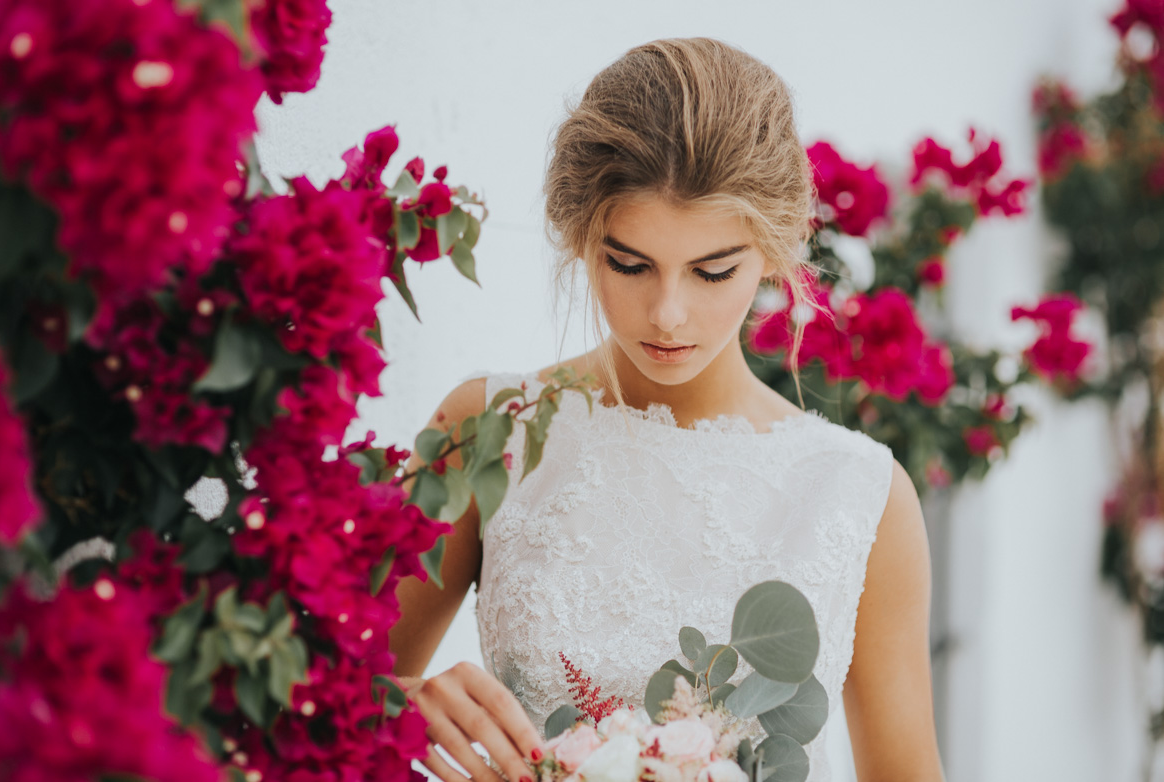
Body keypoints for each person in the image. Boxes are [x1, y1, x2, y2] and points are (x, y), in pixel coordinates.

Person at [390, 37, 945, 782]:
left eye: (713, 271)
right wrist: (396, 706)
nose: (668, 314)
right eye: (629, 264)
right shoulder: (490, 427)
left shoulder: (858, 495)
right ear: (580, 236)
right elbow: (301, 709)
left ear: (775, 252)